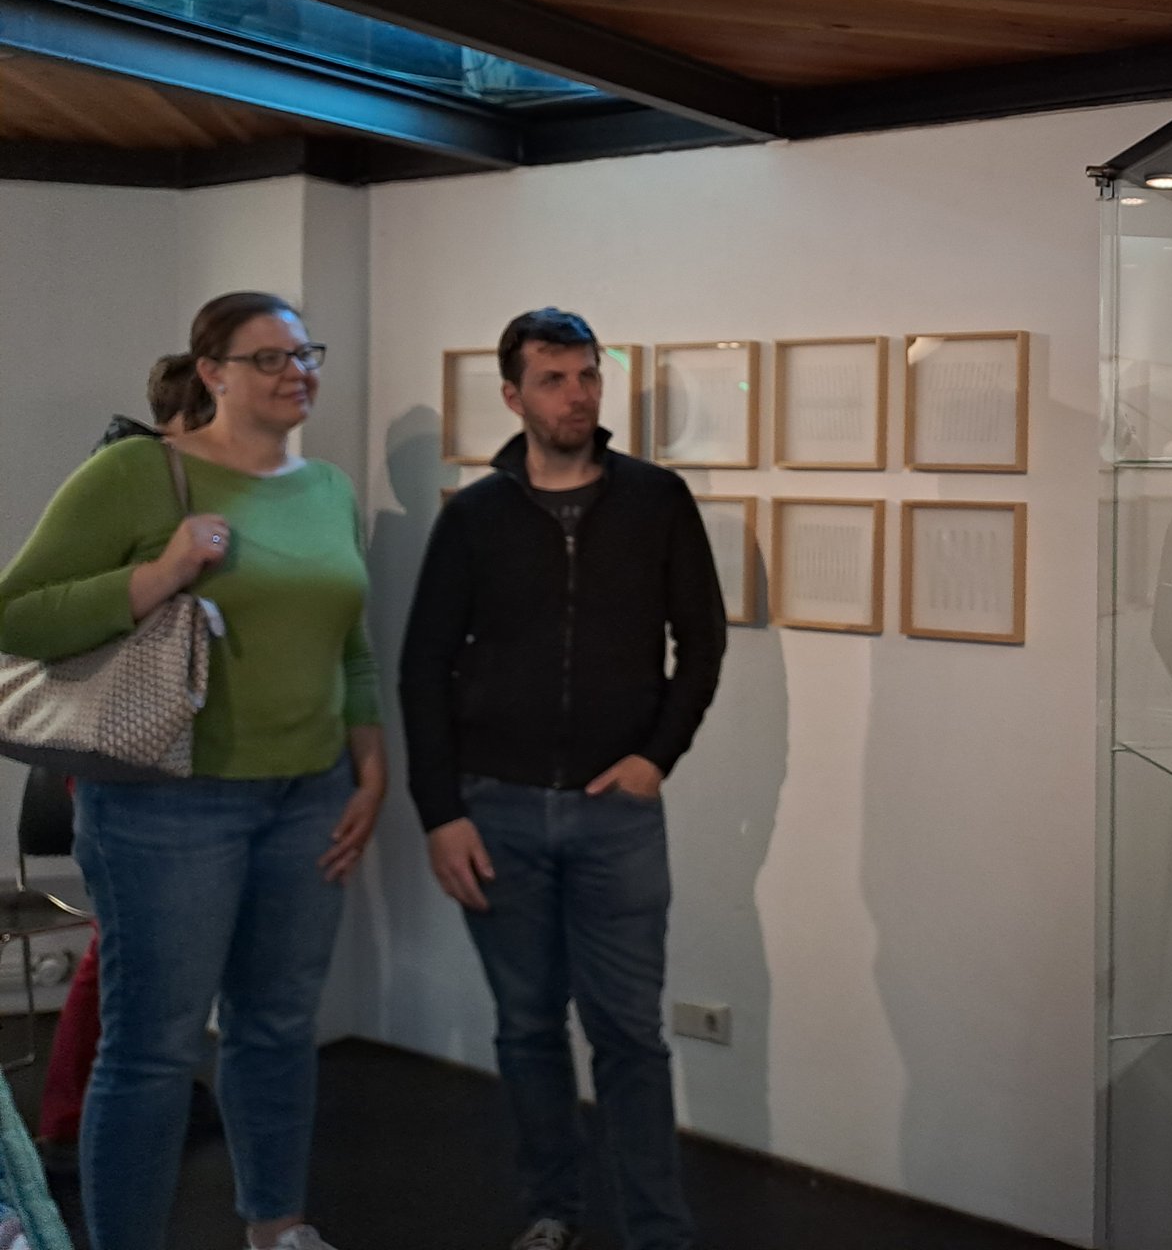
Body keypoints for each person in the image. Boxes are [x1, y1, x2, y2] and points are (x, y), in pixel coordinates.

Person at [0, 292, 386, 1250]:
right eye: (270, 358)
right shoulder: (140, 473)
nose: (298, 372)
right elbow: (16, 612)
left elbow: (350, 645)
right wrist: (160, 574)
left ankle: (278, 1228)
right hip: (168, 808)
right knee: (153, 1050)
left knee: (278, 1028)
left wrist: (370, 766)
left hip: (310, 797)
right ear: (212, 372)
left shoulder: (327, 488)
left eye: (306, 354)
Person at [401, 308, 727, 1250]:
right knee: (527, 1027)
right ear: (514, 396)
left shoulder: (656, 500)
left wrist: (656, 757)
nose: (577, 395)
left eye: (587, 376)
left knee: (630, 1035)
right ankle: (553, 1211)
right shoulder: (474, 517)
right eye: (554, 379)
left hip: (614, 816)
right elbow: (423, 667)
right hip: (495, 813)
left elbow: (702, 642)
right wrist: (440, 812)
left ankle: (658, 1230)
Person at [37, 352, 220, 1177]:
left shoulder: (156, 480)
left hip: (153, 743)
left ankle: (112, 1106)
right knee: (120, 943)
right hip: (127, 744)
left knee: (140, 945)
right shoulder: (132, 486)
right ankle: (75, 1115)